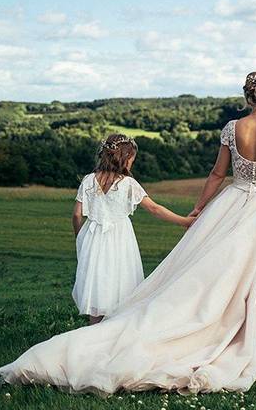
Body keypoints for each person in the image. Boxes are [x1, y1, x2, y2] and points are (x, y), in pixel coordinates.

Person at [0, 71, 256, 394]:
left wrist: (199, 208)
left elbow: (216, 174)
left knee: (219, 272)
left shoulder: (231, 128)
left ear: (248, 97)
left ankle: (228, 325)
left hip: (235, 202)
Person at [71, 134, 193, 325]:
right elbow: (154, 208)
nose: (131, 165)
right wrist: (184, 221)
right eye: (131, 160)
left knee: (97, 282)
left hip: (93, 239)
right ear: (124, 158)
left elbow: (77, 215)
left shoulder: (88, 180)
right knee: (121, 280)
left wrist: (80, 238)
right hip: (120, 240)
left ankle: (94, 330)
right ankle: (117, 327)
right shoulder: (128, 184)